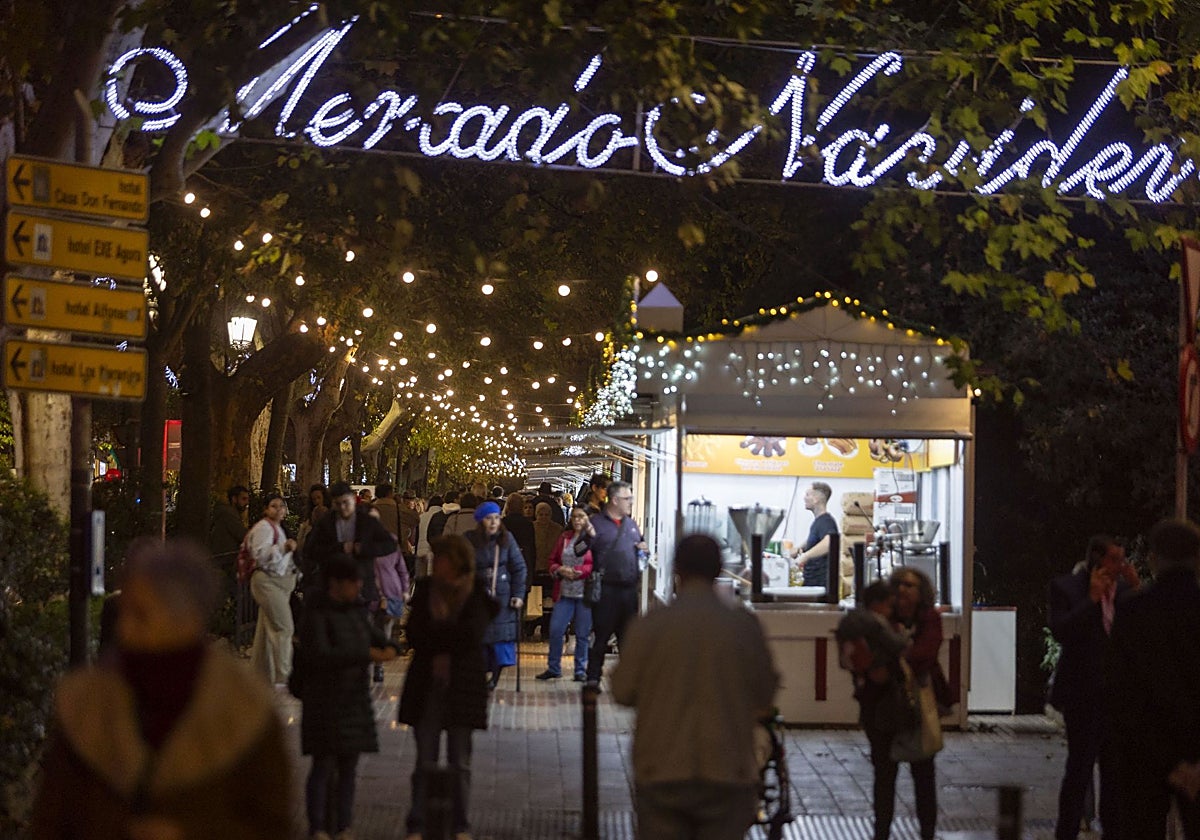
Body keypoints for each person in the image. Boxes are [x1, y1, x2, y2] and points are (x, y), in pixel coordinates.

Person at [31, 539, 293, 839]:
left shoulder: (244, 710)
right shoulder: (88, 704)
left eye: (141, 615)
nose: (125, 628)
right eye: (124, 612)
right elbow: (52, 819)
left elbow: (271, 824)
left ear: (188, 619)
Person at [611, 534, 779, 840]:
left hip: (661, 768)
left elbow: (622, 691)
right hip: (727, 768)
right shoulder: (743, 626)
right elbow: (765, 693)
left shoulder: (651, 625)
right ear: (718, 569)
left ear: (677, 568)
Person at [400, 534, 498, 840]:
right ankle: (417, 821)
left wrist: (438, 637)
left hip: (463, 685)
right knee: (424, 760)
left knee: (460, 761)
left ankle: (460, 823)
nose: (435, 565)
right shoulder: (426, 591)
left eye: (440, 558)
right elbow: (415, 634)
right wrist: (446, 638)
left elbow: (471, 635)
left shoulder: (476, 593)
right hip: (427, 684)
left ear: (455, 561)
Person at [1108, 519, 1200, 840]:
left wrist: (1168, 761)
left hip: (1142, 757)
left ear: (1153, 558)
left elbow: (1122, 693)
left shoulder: (1133, 612)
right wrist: (1191, 760)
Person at [298, 554, 399, 840]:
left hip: (353, 699)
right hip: (324, 699)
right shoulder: (316, 614)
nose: (359, 587)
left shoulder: (356, 612)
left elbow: (380, 639)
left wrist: (389, 647)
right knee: (324, 765)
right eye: (354, 582)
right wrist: (367, 654)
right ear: (336, 584)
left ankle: (343, 825)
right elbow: (320, 653)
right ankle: (318, 826)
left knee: (348, 767)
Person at [1049, 536, 1136, 840]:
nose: (1120, 566)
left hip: (1117, 699)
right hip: (1082, 696)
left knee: (1115, 776)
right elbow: (1062, 631)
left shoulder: (1125, 592)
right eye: (1115, 560)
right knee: (1079, 771)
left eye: (1123, 559)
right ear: (1098, 561)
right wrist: (1092, 601)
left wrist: (1137, 591)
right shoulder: (1067, 588)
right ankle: (1067, 832)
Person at [868, 567, 946, 840]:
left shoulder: (930, 619)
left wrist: (892, 661)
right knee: (884, 776)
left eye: (909, 585)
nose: (902, 590)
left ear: (921, 591)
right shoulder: (883, 618)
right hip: (883, 707)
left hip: (918, 707)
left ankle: (927, 832)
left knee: (923, 775)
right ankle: (881, 832)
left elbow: (924, 655)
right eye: (898, 584)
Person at [580, 480, 647, 689]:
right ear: (615, 500)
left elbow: (640, 550)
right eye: (627, 499)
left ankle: (630, 681)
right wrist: (588, 538)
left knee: (628, 639)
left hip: (629, 590)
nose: (630, 502)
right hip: (607, 589)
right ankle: (593, 678)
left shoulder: (631, 524)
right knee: (601, 636)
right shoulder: (596, 523)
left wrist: (643, 550)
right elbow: (577, 549)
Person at [466, 500, 527, 690]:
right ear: (480, 521)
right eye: (488, 518)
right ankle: (480, 675)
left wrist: (518, 594)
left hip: (502, 598)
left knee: (500, 641)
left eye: (496, 518)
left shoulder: (507, 539)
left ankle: (495, 678)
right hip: (478, 597)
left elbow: (519, 567)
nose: (493, 522)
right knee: (480, 640)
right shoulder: (469, 540)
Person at [304, 482, 398, 605]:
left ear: (353, 500)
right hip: (333, 585)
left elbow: (390, 544)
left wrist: (363, 549)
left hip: (362, 583)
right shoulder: (326, 522)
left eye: (346, 502)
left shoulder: (366, 520)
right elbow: (310, 550)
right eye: (338, 504)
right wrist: (339, 548)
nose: (342, 508)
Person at [536, 505, 594, 682]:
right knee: (556, 629)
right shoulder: (565, 538)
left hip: (584, 593)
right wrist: (558, 569)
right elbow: (552, 559)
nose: (577, 520)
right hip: (564, 593)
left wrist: (578, 571)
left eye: (581, 517)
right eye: (575, 517)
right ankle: (554, 667)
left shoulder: (592, 540)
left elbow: (595, 563)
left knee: (582, 634)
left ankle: (580, 669)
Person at [247, 493, 299, 685]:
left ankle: (260, 674)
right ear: (265, 509)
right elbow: (260, 555)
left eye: (281, 506)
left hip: (278, 581)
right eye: (274, 506)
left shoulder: (276, 528)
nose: (278, 510)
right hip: (268, 581)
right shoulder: (264, 528)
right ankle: (284, 675)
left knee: (266, 629)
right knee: (284, 627)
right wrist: (284, 548)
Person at [369, 507, 410, 682]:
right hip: (366, 594)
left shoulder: (390, 540)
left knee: (383, 631)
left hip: (390, 591)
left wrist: (405, 589)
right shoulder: (355, 543)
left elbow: (401, 567)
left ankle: (378, 667)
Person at [790, 481, 838, 587]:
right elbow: (815, 540)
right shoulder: (819, 522)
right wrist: (799, 548)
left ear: (816, 499)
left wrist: (805, 556)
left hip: (819, 585)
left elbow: (829, 542)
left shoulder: (826, 521)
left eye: (807, 494)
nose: (804, 498)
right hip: (812, 582)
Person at [208, 484, 249, 574]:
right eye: (243, 499)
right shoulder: (229, 515)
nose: (246, 503)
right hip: (226, 560)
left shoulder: (228, 513)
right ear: (234, 499)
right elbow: (242, 535)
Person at [416, 494, 445, 571]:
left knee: (420, 578)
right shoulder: (442, 517)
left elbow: (417, 534)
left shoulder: (422, 517)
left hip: (420, 549)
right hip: (433, 551)